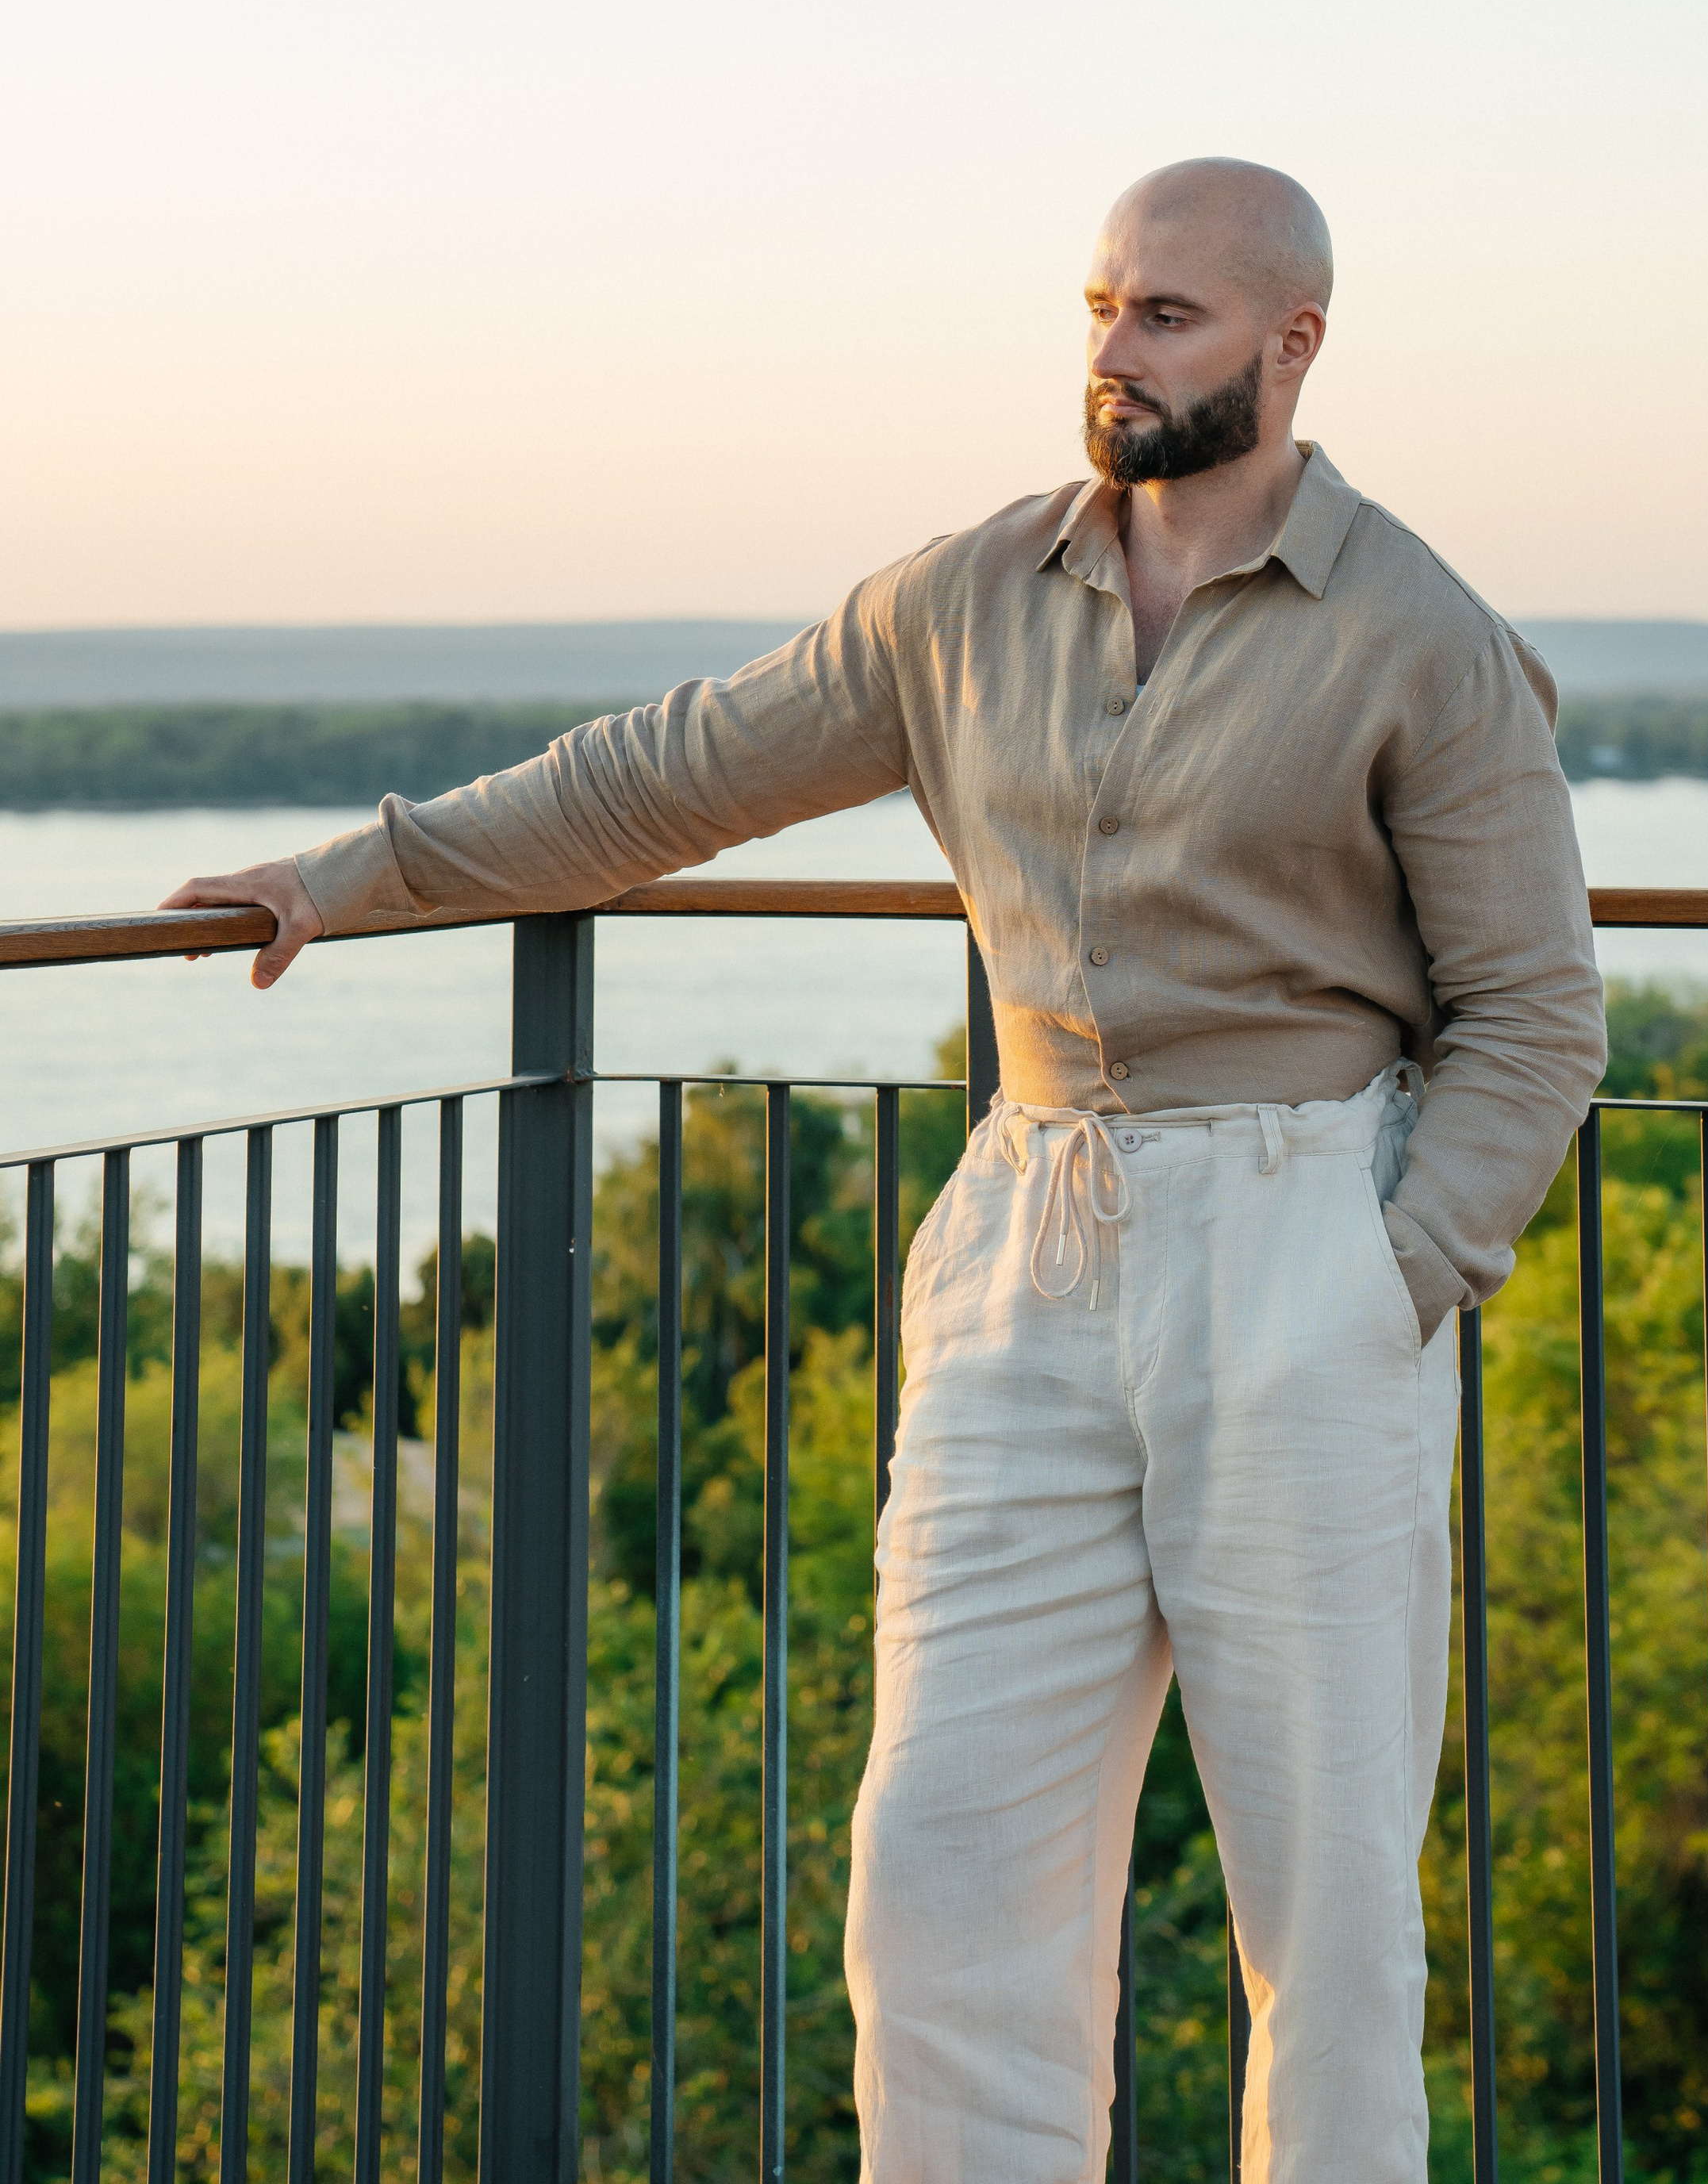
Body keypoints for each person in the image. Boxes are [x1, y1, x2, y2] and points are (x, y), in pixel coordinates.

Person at [168, 158, 1605, 2181]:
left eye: (1167, 315)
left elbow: (1533, 1013)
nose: (1112, 351)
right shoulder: (960, 601)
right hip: (1026, 1246)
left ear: (1292, 344)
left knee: (1328, 1909)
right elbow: (658, 775)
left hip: (1303, 1250)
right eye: (1099, 304)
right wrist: (350, 870)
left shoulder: (1418, 633)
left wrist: (1394, 1274)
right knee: (938, 1865)